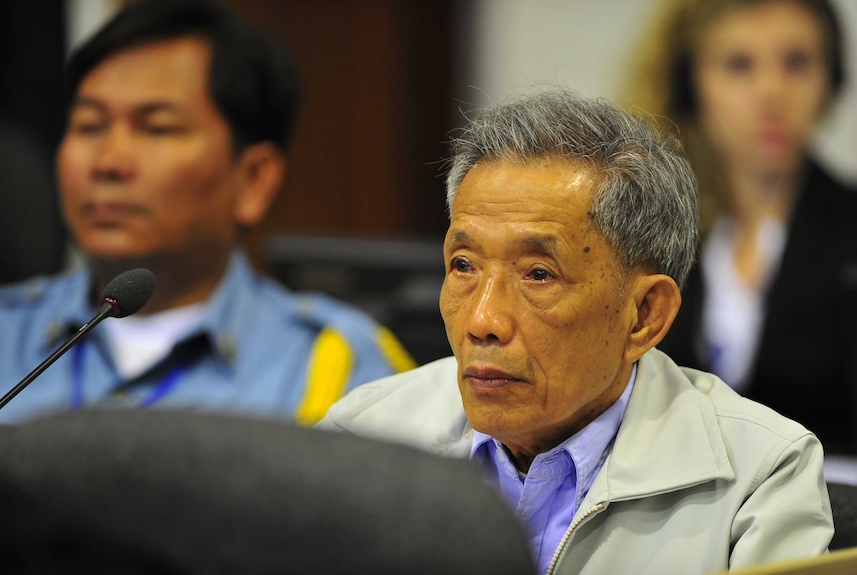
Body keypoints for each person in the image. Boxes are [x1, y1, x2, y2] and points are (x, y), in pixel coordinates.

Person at [317, 88, 833, 575]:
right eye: (464, 266)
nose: (481, 322)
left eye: (538, 274)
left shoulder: (760, 475)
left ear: (645, 315)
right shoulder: (361, 439)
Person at [0, 0, 414, 425]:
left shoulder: (336, 367)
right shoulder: (1, 335)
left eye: (156, 128)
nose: (108, 162)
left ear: (254, 180)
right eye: (89, 126)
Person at [621, 0, 857, 456]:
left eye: (797, 62)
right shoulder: (644, 232)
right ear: (691, 86)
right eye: (739, 65)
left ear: (831, 79)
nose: (771, 91)